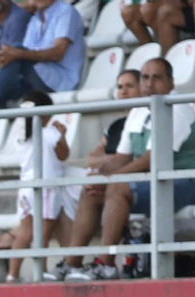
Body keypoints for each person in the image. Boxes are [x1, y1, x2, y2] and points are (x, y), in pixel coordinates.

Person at [69, 58, 195, 282]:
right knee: (91, 192)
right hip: (152, 182)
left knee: (117, 189)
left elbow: (152, 158)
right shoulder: (138, 110)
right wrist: (100, 174)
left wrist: (110, 179)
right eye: (145, 78)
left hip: (183, 182)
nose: (149, 84)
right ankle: (71, 265)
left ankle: (105, 265)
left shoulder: (177, 108)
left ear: (170, 82)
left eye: (157, 78)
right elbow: (122, 158)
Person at [47, 69, 140, 282]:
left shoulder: (145, 119)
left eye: (129, 86)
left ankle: (104, 265)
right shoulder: (116, 125)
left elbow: (132, 159)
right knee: (68, 188)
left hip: (129, 181)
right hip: (109, 178)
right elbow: (92, 158)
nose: (123, 91)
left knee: (93, 188)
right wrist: (106, 166)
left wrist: (106, 168)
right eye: (120, 87)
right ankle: (72, 263)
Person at [0, 92, 73, 283]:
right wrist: (63, 135)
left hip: (25, 187)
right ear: (47, 114)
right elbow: (64, 155)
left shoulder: (21, 137)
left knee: (24, 233)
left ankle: (13, 274)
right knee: (44, 233)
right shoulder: (51, 133)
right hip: (46, 186)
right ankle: (40, 271)